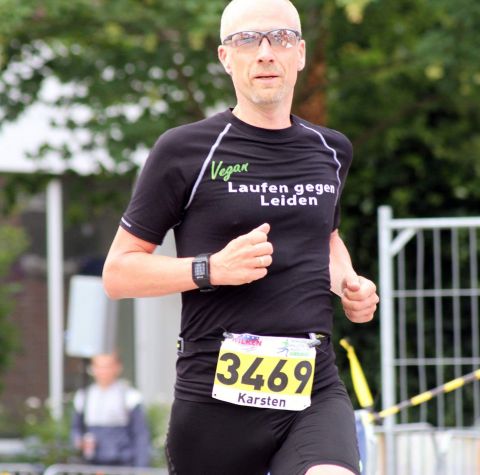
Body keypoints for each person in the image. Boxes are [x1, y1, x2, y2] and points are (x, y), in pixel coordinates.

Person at [102, 0, 379, 473]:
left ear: (300, 53)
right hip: (214, 398)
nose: (266, 52)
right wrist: (210, 269)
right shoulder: (184, 150)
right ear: (225, 57)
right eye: (247, 40)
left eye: (281, 38)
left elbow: (325, 237)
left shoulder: (331, 150)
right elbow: (118, 274)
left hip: (311, 387)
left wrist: (349, 283)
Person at [70, 352, 151, 467]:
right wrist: (79, 441)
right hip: (93, 465)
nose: (103, 371)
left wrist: (141, 468)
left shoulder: (130, 397)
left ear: (118, 367)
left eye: (107, 366)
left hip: (122, 465)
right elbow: (76, 429)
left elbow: (140, 435)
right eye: (99, 366)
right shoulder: (84, 397)